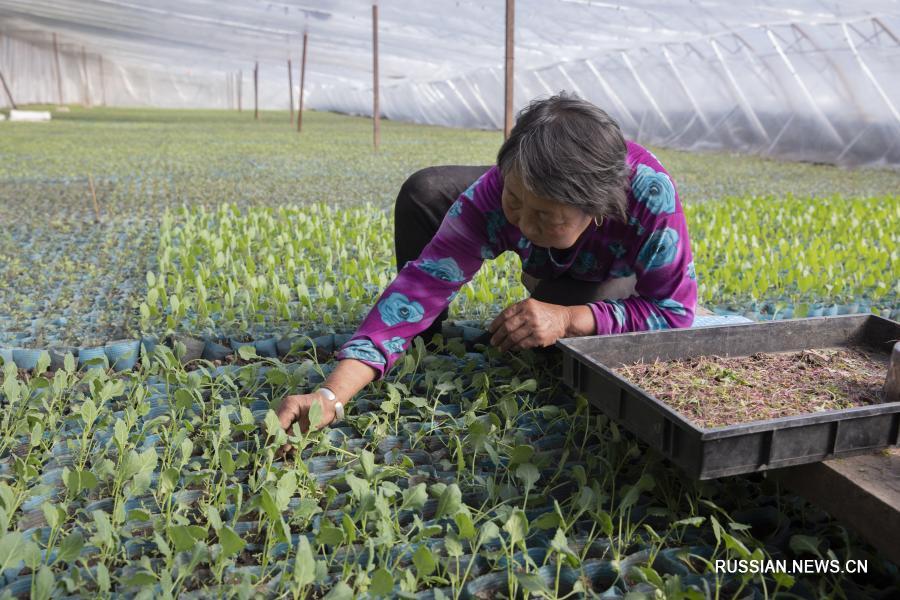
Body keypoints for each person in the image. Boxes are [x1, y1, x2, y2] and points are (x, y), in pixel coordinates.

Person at [277, 91, 698, 435]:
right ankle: (422, 340)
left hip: (600, 276)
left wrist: (568, 318)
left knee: (554, 346)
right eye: (514, 201)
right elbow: (419, 287)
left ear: (597, 210)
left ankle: (564, 297)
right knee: (427, 191)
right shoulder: (493, 194)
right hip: (532, 224)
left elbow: (674, 312)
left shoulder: (648, 197)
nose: (522, 224)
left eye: (546, 217)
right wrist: (330, 396)